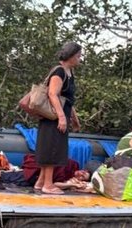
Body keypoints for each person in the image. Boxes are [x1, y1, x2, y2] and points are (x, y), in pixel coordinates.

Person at [36, 41, 83, 195]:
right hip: (53, 116)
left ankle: (41, 181)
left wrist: (74, 117)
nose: (79, 58)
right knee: (51, 148)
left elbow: (68, 99)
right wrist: (61, 117)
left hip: (61, 113)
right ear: (70, 56)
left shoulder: (70, 73)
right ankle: (48, 185)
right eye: (78, 55)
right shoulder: (59, 71)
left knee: (55, 147)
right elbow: (52, 94)